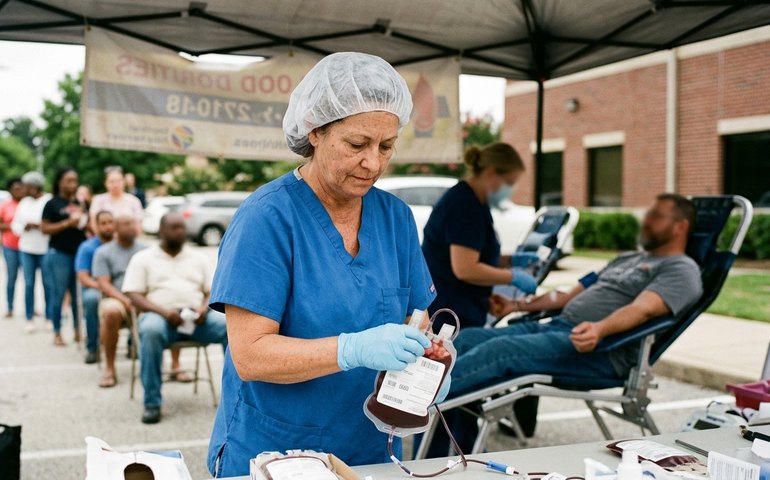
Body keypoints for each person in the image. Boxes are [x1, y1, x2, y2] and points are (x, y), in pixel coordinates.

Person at [205, 52, 441, 477]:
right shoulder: (267, 218)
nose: (374, 163)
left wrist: (430, 365)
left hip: (368, 449)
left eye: (387, 146)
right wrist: (352, 349)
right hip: (276, 452)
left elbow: (415, 321)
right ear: (315, 131)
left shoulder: (395, 218)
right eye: (357, 145)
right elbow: (251, 355)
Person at [426, 193, 703, 456]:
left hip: (597, 348)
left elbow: (641, 310)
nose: (647, 220)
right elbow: (570, 295)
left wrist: (599, 329)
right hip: (557, 327)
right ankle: (417, 388)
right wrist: (518, 305)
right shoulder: (628, 259)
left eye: (657, 216)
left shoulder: (681, 270)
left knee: (501, 350)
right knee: (468, 338)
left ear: (680, 226)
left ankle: (418, 398)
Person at [122, 212, 227, 424]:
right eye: (174, 227)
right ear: (161, 231)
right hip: (160, 317)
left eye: (182, 227)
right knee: (150, 331)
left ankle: (235, 399)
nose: (180, 231)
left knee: (231, 327)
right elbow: (133, 294)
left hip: (196, 319)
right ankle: (152, 403)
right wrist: (163, 312)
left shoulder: (197, 257)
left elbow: (211, 291)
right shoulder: (143, 258)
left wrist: (203, 309)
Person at [422, 143, 535, 330]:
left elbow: (475, 252)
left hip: (463, 302)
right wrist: (512, 277)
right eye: (508, 182)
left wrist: (508, 260)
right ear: (490, 173)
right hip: (450, 309)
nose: (510, 190)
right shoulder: (465, 205)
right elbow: (465, 268)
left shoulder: (475, 202)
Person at [91, 215, 145, 387]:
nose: (131, 227)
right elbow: (104, 284)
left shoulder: (146, 250)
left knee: (172, 305)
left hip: (143, 298)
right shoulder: (103, 252)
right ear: (116, 228)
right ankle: (109, 367)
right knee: (111, 313)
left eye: (133, 223)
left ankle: (174, 366)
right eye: (126, 224)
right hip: (116, 298)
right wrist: (125, 300)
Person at [41, 167, 88, 346]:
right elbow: (45, 228)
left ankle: (78, 331)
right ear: (60, 182)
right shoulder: (52, 204)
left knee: (78, 296)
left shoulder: (81, 202)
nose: (72, 184)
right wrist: (68, 223)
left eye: (75, 180)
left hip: (79, 254)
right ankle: (57, 332)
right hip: (60, 254)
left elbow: (87, 225)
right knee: (58, 294)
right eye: (68, 180)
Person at [11, 171, 53, 332]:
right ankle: (29, 318)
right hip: (27, 248)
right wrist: (24, 227)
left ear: (36, 186)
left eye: (28, 187)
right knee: (28, 284)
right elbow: (15, 225)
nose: (25, 190)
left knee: (47, 284)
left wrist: (39, 226)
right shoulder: (24, 203)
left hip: (44, 248)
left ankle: (49, 317)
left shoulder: (47, 201)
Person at [75, 210, 115, 364]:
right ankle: (92, 346)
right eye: (103, 223)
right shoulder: (87, 247)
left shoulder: (121, 244)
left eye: (110, 222)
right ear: (96, 226)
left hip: (117, 287)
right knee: (91, 300)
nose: (108, 227)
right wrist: (103, 287)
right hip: (95, 287)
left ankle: (134, 342)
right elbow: (83, 277)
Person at [89, 166, 143, 235]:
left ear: (124, 181)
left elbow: (138, 226)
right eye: (111, 181)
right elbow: (94, 224)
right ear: (105, 183)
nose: (115, 185)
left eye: (118, 181)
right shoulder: (98, 200)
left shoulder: (134, 201)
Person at [0, 178, 25, 318]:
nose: (19, 191)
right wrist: (14, 226)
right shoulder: (5, 205)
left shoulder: (27, 204)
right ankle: (10, 307)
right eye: (16, 189)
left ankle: (30, 308)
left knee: (29, 279)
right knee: (12, 277)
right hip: (10, 246)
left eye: (20, 188)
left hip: (26, 247)